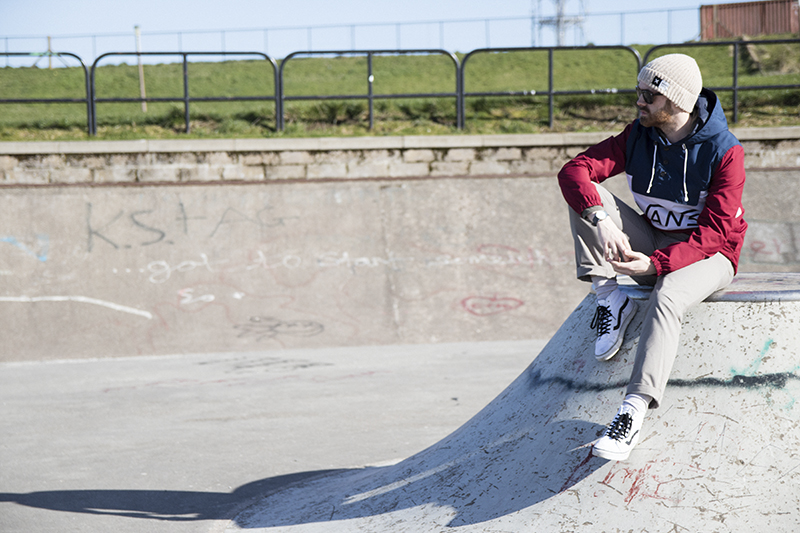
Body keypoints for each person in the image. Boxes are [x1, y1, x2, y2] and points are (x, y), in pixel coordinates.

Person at [557, 53, 747, 461]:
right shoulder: (638, 136)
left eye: (649, 95)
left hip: (710, 255)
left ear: (676, 102)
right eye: (638, 92)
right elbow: (575, 170)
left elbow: (713, 234)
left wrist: (656, 266)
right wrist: (601, 219)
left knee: (668, 297)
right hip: (654, 239)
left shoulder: (725, 152)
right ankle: (611, 296)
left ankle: (632, 412)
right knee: (588, 197)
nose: (639, 102)